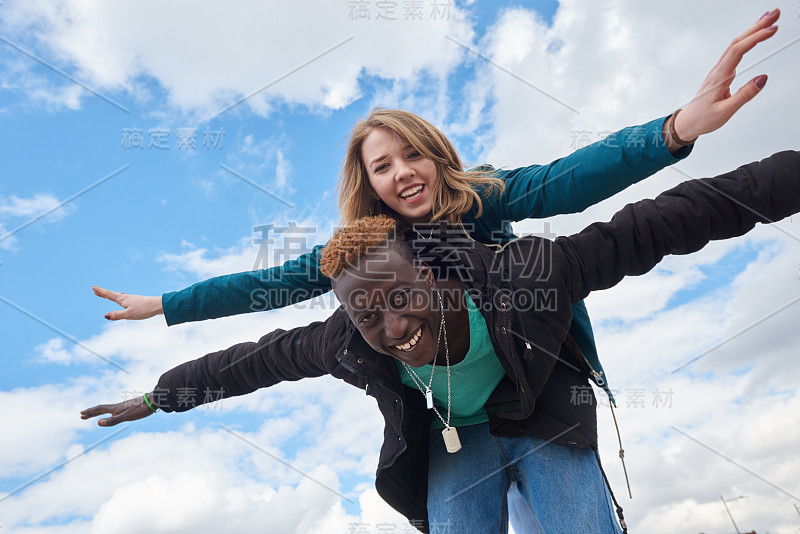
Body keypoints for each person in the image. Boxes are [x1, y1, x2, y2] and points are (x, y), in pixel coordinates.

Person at [82, 150, 800, 533]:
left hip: (541, 414)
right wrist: (158, 395)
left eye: (400, 300)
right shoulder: (348, 340)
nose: (392, 328)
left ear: (430, 273)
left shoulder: (525, 275)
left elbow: (670, 218)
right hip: (459, 438)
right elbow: (253, 361)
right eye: (369, 318)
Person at [91, 11, 781, 401]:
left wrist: (673, 131)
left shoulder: (480, 196)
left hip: (529, 369)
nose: (403, 174)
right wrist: (169, 304)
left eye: (411, 156)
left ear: (435, 154)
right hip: (446, 395)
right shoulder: (369, 247)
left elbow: (572, 176)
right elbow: (266, 290)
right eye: (382, 166)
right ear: (369, 184)